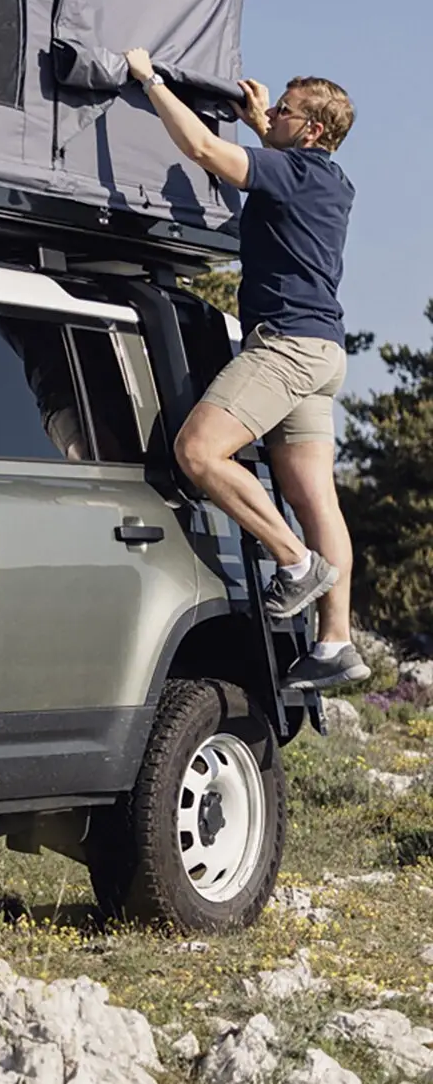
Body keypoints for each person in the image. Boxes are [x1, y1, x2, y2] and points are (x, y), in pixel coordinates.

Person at [123, 50, 365, 690]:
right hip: (324, 353)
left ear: (312, 130)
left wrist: (150, 80)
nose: (272, 113)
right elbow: (281, 158)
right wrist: (262, 122)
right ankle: (336, 642)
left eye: (285, 110)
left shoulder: (291, 172)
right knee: (317, 498)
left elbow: (204, 149)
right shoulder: (331, 180)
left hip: (284, 348)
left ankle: (295, 563)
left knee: (199, 452)